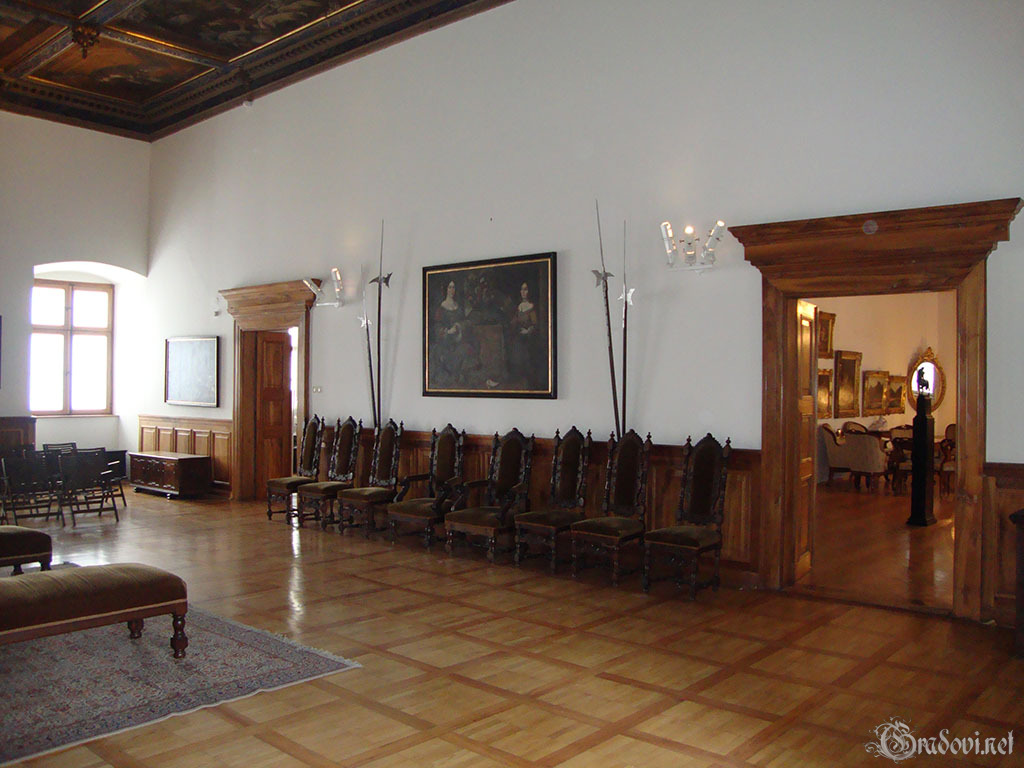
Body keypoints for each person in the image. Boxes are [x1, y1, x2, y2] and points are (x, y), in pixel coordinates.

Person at [508, 281, 541, 389]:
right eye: (522, 289)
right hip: (518, 340)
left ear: (529, 291)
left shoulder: (531, 307)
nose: (523, 292)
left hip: (528, 341)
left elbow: (535, 325)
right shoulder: (519, 307)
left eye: (525, 289)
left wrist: (527, 331)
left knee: (527, 362)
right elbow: (514, 323)